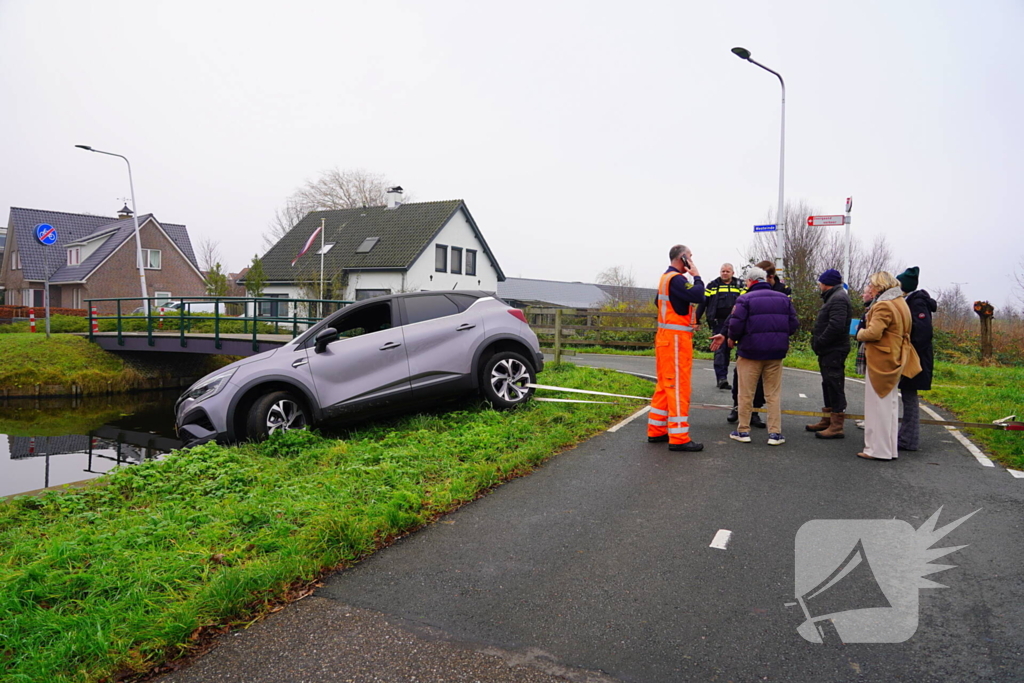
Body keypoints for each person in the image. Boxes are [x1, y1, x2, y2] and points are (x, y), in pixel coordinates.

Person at [712, 266, 799, 446]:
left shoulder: (745, 299)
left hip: (750, 352)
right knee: (773, 394)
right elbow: (793, 324)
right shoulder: (783, 299)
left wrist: (732, 338)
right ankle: (775, 433)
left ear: (750, 281)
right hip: (775, 353)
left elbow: (736, 325)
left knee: (746, 393)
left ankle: (743, 430)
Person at [854, 272, 921, 461]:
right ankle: (889, 449)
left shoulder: (883, 304)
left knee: (877, 407)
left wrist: (859, 333)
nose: (870, 287)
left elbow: (874, 333)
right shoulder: (901, 302)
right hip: (897, 355)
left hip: (881, 359)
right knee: (889, 406)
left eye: (872, 285)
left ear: (880, 286)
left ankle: (876, 450)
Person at [647, 244, 705, 452]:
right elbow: (699, 296)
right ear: (683, 258)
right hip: (676, 341)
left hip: (664, 338)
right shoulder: (678, 279)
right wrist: (696, 276)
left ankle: (656, 430)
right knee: (678, 387)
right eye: (690, 257)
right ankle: (679, 437)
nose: (692, 259)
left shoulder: (665, 278)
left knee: (664, 385)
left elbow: (658, 302)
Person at [723, 259, 789, 425]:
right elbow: (734, 317)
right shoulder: (747, 294)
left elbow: (790, 321)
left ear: (770, 277)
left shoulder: (783, 293)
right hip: (756, 346)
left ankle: (750, 419)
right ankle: (738, 409)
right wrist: (725, 334)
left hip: (760, 346)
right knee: (742, 380)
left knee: (760, 385)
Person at [806, 269, 853, 439]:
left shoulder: (839, 298)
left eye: (820, 282)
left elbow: (836, 326)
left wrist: (820, 342)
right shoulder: (834, 297)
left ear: (827, 283)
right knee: (827, 383)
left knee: (834, 383)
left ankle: (836, 425)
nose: (819, 285)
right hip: (829, 349)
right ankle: (827, 419)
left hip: (834, 349)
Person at [895, 267, 937, 451]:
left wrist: (907, 350)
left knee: (910, 397)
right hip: (915, 356)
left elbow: (923, 332)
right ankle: (906, 437)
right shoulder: (912, 301)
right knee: (907, 395)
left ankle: (908, 440)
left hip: (916, 358)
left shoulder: (917, 303)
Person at [695, 263, 744, 390]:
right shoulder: (713, 285)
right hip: (719, 323)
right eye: (723, 271)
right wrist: (696, 320)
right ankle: (721, 379)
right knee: (721, 351)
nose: (725, 273)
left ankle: (742, 379)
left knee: (742, 350)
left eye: (728, 271)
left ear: (733, 273)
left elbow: (746, 301)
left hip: (738, 322)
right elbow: (703, 303)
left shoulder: (740, 285)